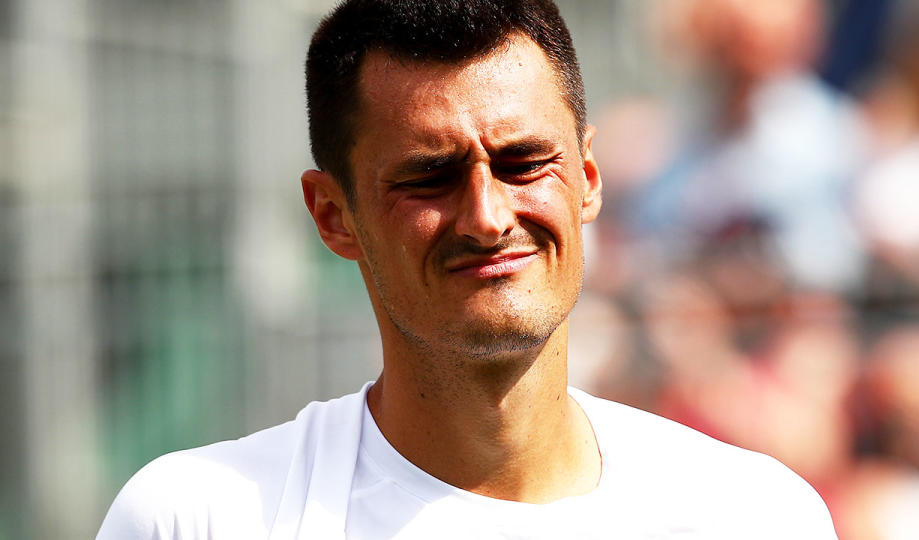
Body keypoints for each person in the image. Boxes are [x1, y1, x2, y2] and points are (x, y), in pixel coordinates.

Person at [97, 1, 838, 538]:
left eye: (523, 163)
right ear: (332, 215)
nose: (486, 216)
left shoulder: (754, 513)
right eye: (428, 178)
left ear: (587, 178)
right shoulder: (199, 518)